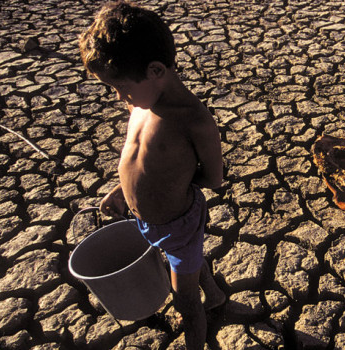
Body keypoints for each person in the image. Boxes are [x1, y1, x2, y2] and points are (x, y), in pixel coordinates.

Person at [79, 1, 225, 348]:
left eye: (122, 87)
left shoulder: (194, 120)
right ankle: (216, 295)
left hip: (179, 221)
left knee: (186, 301)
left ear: (156, 70)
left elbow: (214, 178)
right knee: (186, 260)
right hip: (149, 222)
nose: (119, 97)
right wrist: (122, 190)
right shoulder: (140, 103)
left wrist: (169, 189)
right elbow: (141, 159)